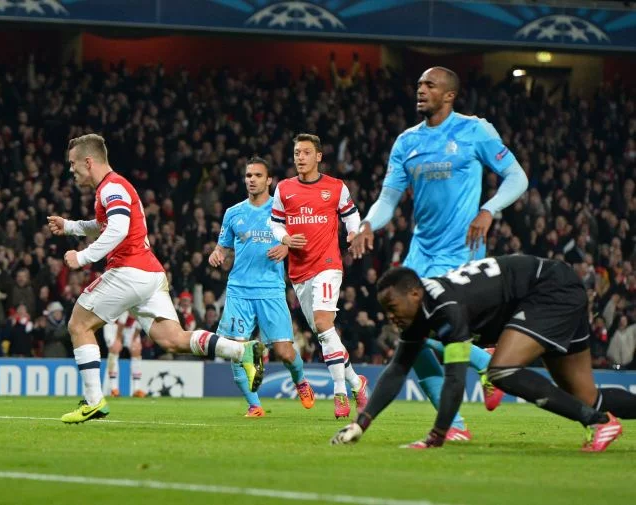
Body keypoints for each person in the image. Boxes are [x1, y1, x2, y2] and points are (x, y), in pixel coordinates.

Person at [349, 67, 529, 439]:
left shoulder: (474, 131)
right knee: (410, 335)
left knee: (423, 326)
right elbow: (388, 199)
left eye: (429, 85)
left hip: (461, 250)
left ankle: (484, 369)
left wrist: (488, 210)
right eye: (418, 84)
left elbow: (517, 177)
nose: (421, 89)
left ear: (449, 95)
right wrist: (367, 224)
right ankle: (459, 420)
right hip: (421, 254)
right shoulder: (406, 142)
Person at [48, 134, 265, 423]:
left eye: (73, 163)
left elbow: (118, 230)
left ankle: (93, 401)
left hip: (129, 271)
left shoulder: (112, 188)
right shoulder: (113, 188)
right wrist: (70, 226)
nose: (70, 169)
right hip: (149, 274)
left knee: (78, 324)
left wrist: (83, 257)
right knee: (173, 340)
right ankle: (241, 351)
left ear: (88, 162)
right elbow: (105, 225)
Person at [331, 255, 636, 452]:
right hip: (555, 288)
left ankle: (598, 422)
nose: (390, 317)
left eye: (393, 308)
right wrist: (361, 423)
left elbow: (455, 380)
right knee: (586, 397)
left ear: (414, 294)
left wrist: (436, 436)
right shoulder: (421, 311)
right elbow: (397, 369)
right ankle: (597, 417)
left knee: (500, 371)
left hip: (549, 290)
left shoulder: (446, 309)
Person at [269, 133, 368, 418]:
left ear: (318, 156)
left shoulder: (335, 187)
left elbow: (351, 214)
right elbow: (275, 223)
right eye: (297, 153)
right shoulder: (284, 188)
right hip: (299, 272)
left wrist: (353, 231)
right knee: (325, 334)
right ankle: (356, 382)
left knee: (324, 323)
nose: (300, 157)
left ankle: (340, 393)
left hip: (327, 264)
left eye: (306, 152)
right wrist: (286, 238)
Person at [209, 156, 315, 417]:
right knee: (236, 349)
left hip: (271, 289)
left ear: (269, 180)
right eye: (248, 176)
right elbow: (223, 246)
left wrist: (286, 246)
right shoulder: (233, 213)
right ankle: (254, 405)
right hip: (239, 290)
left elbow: (302, 239)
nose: (252, 180)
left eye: (257, 175)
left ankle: (301, 381)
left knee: (285, 352)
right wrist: (217, 253)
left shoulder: (282, 212)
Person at [103, 311, 145, 398]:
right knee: (114, 350)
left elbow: (141, 321)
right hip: (113, 325)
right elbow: (122, 320)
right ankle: (113, 388)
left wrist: (134, 339)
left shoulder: (144, 308)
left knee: (136, 350)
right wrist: (118, 339)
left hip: (130, 327)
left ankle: (136, 389)